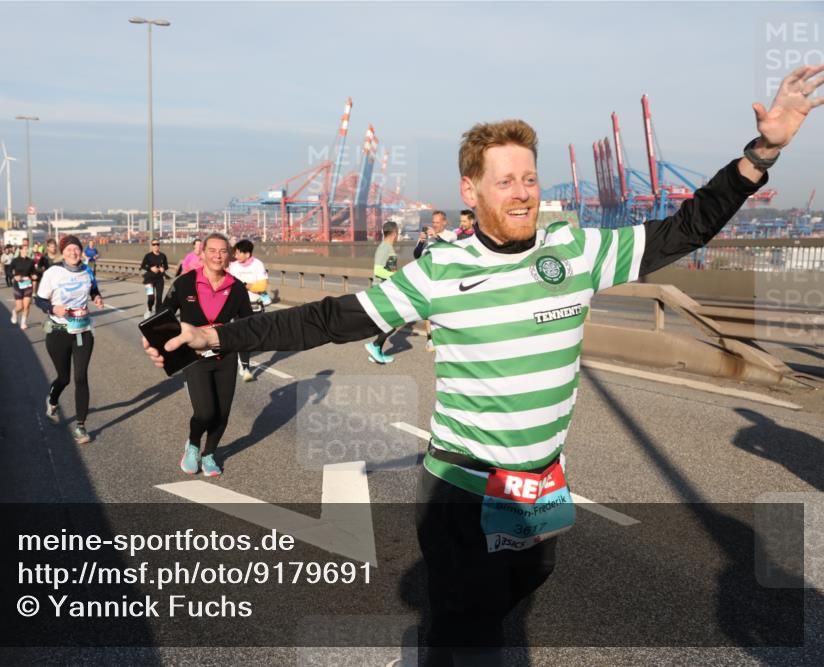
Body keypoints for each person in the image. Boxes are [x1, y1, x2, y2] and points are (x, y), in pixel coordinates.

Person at [143, 64, 823, 663]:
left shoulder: (575, 251)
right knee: (473, 638)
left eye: (529, 178)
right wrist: (214, 337)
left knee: (516, 596)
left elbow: (686, 229)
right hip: (463, 492)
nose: (522, 192)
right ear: (470, 190)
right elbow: (327, 318)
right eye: (505, 182)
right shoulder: (441, 270)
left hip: (542, 486)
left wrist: (762, 152)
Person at [161, 233, 252, 477]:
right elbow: (163, 315)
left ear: (229, 256)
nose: (217, 256)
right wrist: (169, 349)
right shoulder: (185, 283)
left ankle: (209, 453)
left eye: (223, 251)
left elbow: (249, 324)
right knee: (205, 412)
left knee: (222, 413)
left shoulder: (236, 287)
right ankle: (192, 445)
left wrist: (244, 354)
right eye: (212, 250)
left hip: (225, 357)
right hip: (195, 357)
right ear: (202, 253)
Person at [35, 235, 104, 445]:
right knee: (64, 378)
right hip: (58, 332)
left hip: (83, 331)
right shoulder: (53, 272)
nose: (73, 252)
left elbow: (93, 289)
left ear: (80, 251)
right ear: (62, 253)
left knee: (81, 377)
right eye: (68, 249)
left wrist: (97, 297)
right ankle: (52, 399)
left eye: (76, 249)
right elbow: (39, 299)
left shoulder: (87, 271)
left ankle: (81, 427)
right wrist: (52, 308)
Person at [414, 210, 458, 352]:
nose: (434, 225)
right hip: (428, 278)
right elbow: (416, 255)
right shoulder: (427, 237)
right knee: (429, 310)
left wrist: (436, 237)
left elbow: (451, 249)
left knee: (445, 309)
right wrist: (421, 242)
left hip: (445, 279)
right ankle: (430, 339)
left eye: (437, 223)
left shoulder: (451, 235)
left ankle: (447, 336)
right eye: (433, 222)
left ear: (444, 222)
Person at [226, 239, 268, 382]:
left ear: (247, 254)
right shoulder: (233, 266)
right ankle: (245, 367)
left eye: (238, 253)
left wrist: (244, 285)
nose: (236, 255)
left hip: (255, 305)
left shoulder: (258, 265)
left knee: (254, 337)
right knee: (244, 337)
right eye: (235, 253)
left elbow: (262, 286)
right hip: (238, 306)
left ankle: (242, 358)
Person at [364, 220, 400, 364]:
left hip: (387, 290)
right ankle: (374, 345)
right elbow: (378, 270)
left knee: (388, 322)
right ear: (395, 233)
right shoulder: (384, 248)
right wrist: (397, 276)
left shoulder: (387, 247)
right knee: (394, 321)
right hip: (382, 291)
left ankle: (376, 351)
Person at [10, 244, 36, 330]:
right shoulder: (15, 261)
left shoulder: (31, 261)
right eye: (24, 249)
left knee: (26, 305)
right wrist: (14, 276)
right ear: (20, 250)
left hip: (27, 284)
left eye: (27, 249)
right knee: (20, 307)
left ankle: (23, 323)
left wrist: (34, 275)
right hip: (18, 285)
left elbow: (33, 272)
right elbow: (9, 271)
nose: (26, 251)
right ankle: (14, 312)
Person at [139, 239, 169, 316]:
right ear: (152, 246)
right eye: (154, 244)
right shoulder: (148, 256)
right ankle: (149, 309)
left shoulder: (163, 256)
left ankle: (157, 314)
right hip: (149, 280)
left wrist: (163, 269)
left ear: (159, 245)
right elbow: (143, 266)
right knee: (151, 298)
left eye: (157, 244)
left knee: (159, 298)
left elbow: (166, 266)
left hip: (159, 279)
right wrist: (150, 268)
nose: (156, 246)